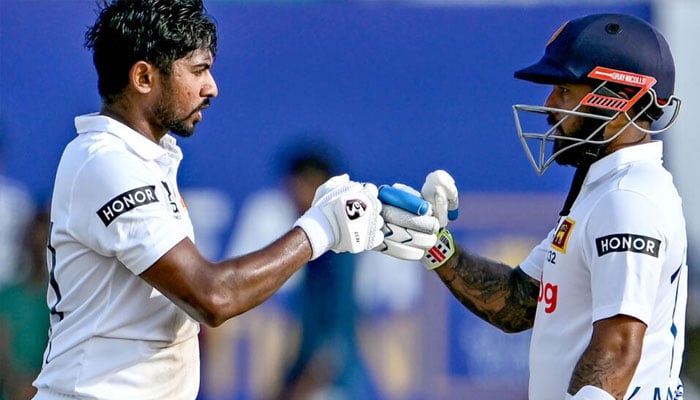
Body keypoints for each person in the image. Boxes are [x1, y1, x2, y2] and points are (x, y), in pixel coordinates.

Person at [31, 1, 385, 399]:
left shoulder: (143, 162)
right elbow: (212, 296)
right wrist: (321, 228)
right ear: (144, 77)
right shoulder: (106, 161)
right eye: (198, 70)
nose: (212, 87)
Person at [381, 13, 687, 400]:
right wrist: (436, 246)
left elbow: (618, 348)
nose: (548, 105)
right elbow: (518, 302)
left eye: (563, 89)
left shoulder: (628, 200)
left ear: (620, 99)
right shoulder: (604, 189)